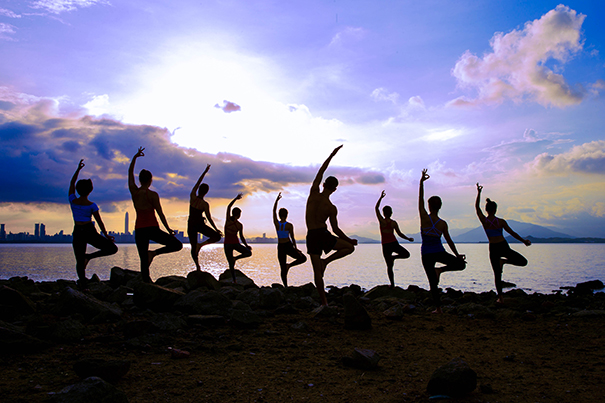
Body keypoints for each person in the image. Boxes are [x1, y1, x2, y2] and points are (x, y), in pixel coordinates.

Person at [305, 145, 357, 306]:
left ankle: (324, 302)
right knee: (349, 248)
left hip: (311, 235)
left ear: (323, 184)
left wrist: (331, 155)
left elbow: (321, 170)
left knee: (316, 273)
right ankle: (326, 262)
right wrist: (349, 240)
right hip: (323, 234)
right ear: (334, 189)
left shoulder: (313, 192)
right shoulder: (331, 207)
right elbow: (335, 230)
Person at [128, 147, 182, 283]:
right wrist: (168, 229)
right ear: (151, 180)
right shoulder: (152, 195)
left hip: (139, 229)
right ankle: (154, 253)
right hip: (152, 228)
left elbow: (129, 173)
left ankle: (146, 283)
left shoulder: (134, 193)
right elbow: (160, 213)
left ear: (139, 180)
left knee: (143, 260)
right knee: (177, 245)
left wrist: (134, 158)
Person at [419, 169, 466, 313]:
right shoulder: (442, 223)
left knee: (432, 282)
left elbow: (419, 199)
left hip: (427, 254)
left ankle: (438, 308)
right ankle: (440, 270)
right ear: (440, 207)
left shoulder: (424, 218)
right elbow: (449, 241)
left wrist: (421, 183)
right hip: (438, 252)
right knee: (461, 265)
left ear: (429, 206)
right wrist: (457, 255)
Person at [475, 183, 531, 304]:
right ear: (495, 210)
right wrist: (524, 241)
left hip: (494, 247)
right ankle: (500, 296)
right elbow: (513, 233)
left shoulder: (484, 221)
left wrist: (478, 193)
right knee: (522, 262)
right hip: (502, 246)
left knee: (497, 274)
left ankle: (500, 297)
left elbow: (477, 208)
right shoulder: (500, 221)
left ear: (487, 210)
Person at [69, 159, 118, 288]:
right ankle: (88, 259)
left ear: (79, 190)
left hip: (79, 231)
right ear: (90, 190)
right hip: (88, 231)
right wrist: (106, 235)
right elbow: (99, 221)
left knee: (79, 260)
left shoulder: (73, 201)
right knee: (112, 248)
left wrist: (78, 169)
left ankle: (83, 283)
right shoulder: (92, 205)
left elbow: (71, 184)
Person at [375, 190, 414, 288]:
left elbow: (376, 208)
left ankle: (392, 284)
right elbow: (400, 234)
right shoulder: (393, 223)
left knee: (389, 266)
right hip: (393, 243)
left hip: (386, 245)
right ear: (391, 213)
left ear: (384, 213)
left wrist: (380, 198)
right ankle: (392, 284)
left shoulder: (382, 222)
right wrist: (408, 239)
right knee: (406, 255)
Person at [188, 164, 222, 270]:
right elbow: (210, 218)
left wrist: (204, 172)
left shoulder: (193, 196)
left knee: (194, 247)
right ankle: (201, 245)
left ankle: (198, 266)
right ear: (206, 192)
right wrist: (216, 229)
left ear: (199, 190)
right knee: (217, 236)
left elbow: (197, 183)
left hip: (191, 224)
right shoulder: (205, 204)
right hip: (199, 224)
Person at [273, 192, 307, 287]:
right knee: (303, 258)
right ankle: (286, 285)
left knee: (283, 268)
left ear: (279, 215)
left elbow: (273, 212)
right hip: (287, 245)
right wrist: (295, 248)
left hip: (283, 246)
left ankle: (286, 285)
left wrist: (276, 201)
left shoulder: (277, 224)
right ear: (287, 215)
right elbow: (293, 238)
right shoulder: (289, 225)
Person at [224, 193, 252, 283]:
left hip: (228, 244)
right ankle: (235, 258)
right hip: (235, 244)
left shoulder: (228, 221)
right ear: (239, 215)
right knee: (248, 252)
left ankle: (234, 280)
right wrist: (246, 245)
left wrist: (235, 198)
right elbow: (242, 237)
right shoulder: (239, 225)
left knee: (230, 263)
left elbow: (228, 207)